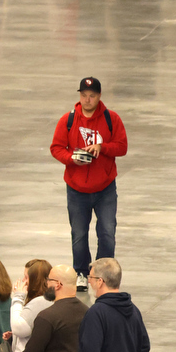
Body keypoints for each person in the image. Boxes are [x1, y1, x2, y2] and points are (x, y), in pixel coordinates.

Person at [50, 78, 127, 288]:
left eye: (92, 95)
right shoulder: (68, 120)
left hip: (105, 189)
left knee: (107, 232)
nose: (87, 99)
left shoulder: (112, 119)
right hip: (76, 189)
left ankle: (104, 274)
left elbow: (122, 146)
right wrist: (71, 158)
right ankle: (82, 273)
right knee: (79, 233)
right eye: (83, 95)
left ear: (99, 96)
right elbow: (56, 147)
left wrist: (102, 148)